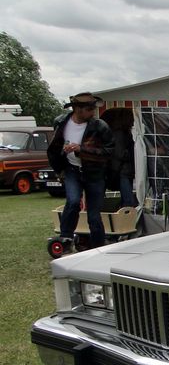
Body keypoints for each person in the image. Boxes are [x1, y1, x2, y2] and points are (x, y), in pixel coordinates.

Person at [47, 93, 114, 249]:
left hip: (95, 173)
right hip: (72, 169)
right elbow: (53, 149)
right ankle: (65, 238)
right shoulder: (61, 122)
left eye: (93, 108)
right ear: (77, 109)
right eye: (89, 109)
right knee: (73, 201)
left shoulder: (99, 126)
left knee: (94, 215)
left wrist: (81, 149)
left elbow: (109, 151)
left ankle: (98, 245)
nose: (93, 112)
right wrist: (59, 169)